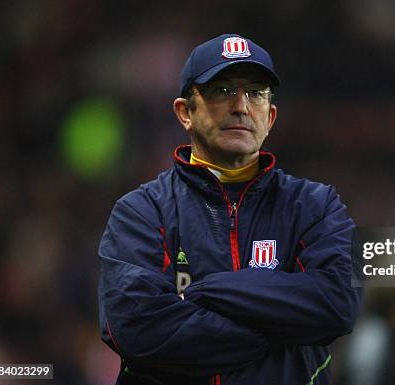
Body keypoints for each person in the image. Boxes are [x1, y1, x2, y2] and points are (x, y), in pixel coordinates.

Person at [98, 33, 362, 385]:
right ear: (185, 112)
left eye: (255, 93)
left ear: (270, 117)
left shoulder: (315, 206)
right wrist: (276, 330)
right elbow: (133, 327)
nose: (241, 106)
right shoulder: (141, 211)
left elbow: (336, 304)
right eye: (222, 91)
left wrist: (206, 292)